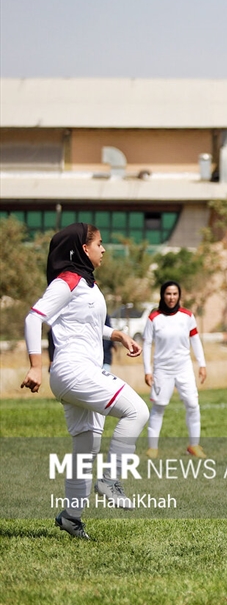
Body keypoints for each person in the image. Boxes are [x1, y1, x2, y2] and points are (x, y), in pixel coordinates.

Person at [21, 223, 149, 540]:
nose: (103, 249)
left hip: (75, 373)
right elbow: (33, 317)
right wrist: (35, 366)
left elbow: (84, 325)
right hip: (73, 370)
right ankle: (110, 479)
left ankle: (71, 517)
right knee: (137, 411)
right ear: (82, 248)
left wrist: (116, 334)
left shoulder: (87, 284)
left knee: (86, 447)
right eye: (99, 244)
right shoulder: (69, 280)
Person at [142, 281, 208, 459]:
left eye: (175, 294)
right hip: (162, 370)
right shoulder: (154, 318)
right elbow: (147, 344)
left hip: (184, 367)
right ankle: (152, 448)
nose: (171, 298)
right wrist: (148, 370)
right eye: (168, 294)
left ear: (179, 296)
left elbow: (195, 340)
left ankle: (194, 445)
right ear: (163, 296)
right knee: (159, 406)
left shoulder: (187, 316)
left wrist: (202, 364)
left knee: (193, 405)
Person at [48, 313, 113, 371]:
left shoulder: (102, 314)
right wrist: (52, 358)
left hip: (103, 358)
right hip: (74, 361)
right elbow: (52, 335)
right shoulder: (65, 315)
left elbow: (109, 334)